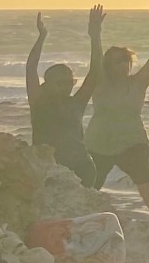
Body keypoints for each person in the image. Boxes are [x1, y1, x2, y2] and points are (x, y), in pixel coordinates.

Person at [85, 6, 149, 226]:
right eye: (118, 60)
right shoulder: (99, 83)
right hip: (100, 142)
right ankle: (84, 217)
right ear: (108, 65)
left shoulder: (137, 83)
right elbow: (95, 59)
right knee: (90, 184)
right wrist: (95, 33)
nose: (124, 64)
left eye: (126, 60)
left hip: (132, 140)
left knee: (145, 178)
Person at [25, 11, 99, 186]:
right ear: (48, 83)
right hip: (50, 168)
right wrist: (42, 37)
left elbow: (95, 71)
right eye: (60, 83)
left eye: (69, 82)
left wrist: (95, 37)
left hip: (81, 166)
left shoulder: (76, 102)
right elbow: (30, 68)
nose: (66, 86)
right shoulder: (38, 102)